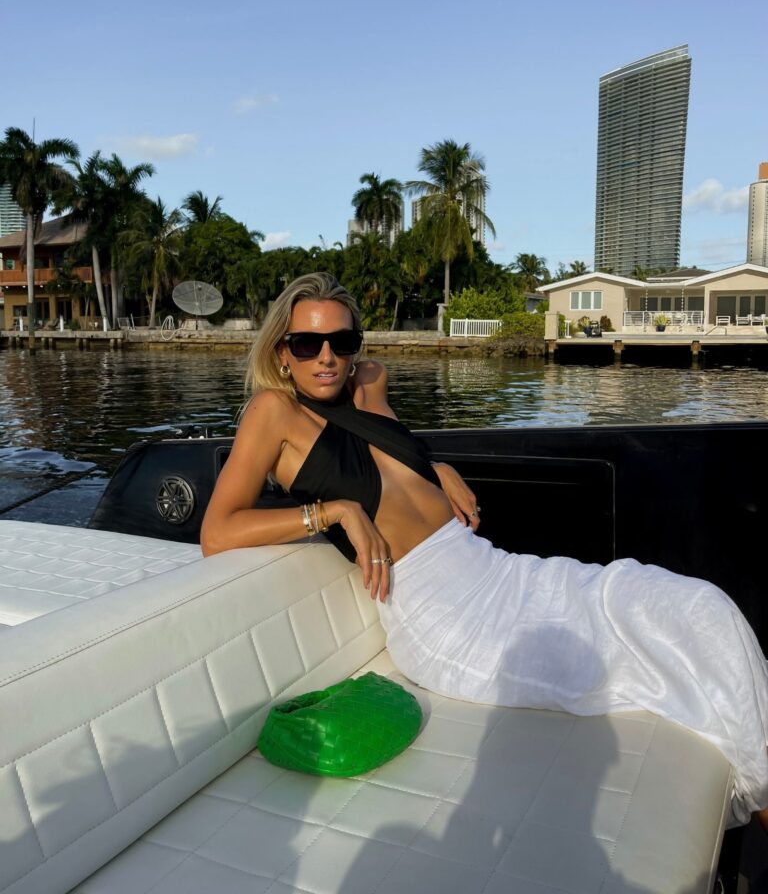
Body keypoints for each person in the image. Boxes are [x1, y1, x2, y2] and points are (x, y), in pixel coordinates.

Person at [201, 272, 768, 827]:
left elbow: (384, 452)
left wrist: (433, 465)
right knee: (636, 655)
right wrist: (334, 511)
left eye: (341, 341)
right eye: (306, 343)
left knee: (702, 607)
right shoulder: (273, 413)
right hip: (446, 618)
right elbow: (217, 532)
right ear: (282, 350)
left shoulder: (368, 381)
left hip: (498, 571)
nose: (325, 357)